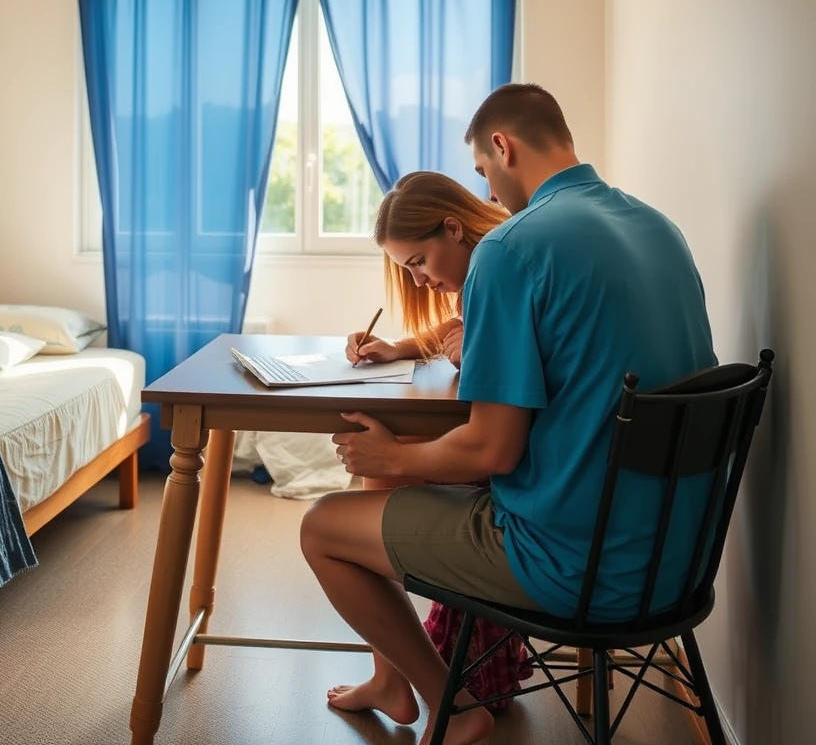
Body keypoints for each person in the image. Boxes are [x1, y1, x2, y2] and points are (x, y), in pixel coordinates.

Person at [299, 83, 717, 745]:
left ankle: (452, 704)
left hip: (579, 566)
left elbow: (493, 452)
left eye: (484, 172)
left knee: (321, 527)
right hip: (678, 555)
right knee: (392, 468)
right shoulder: (656, 227)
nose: (490, 192)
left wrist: (394, 457)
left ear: (503, 147)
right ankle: (389, 680)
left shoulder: (511, 249)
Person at [331, 173, 530, 724]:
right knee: (384, 467)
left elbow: (488, 363)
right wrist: (396, 345)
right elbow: (454, 327)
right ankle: (390, 678)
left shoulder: (503, 263)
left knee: (375, 477)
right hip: (545, 468)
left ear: (452, 227)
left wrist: (475, 354)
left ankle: (395, 679)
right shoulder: (489, 261)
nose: (417, 281)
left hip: (527, 479)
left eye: (418, 262)